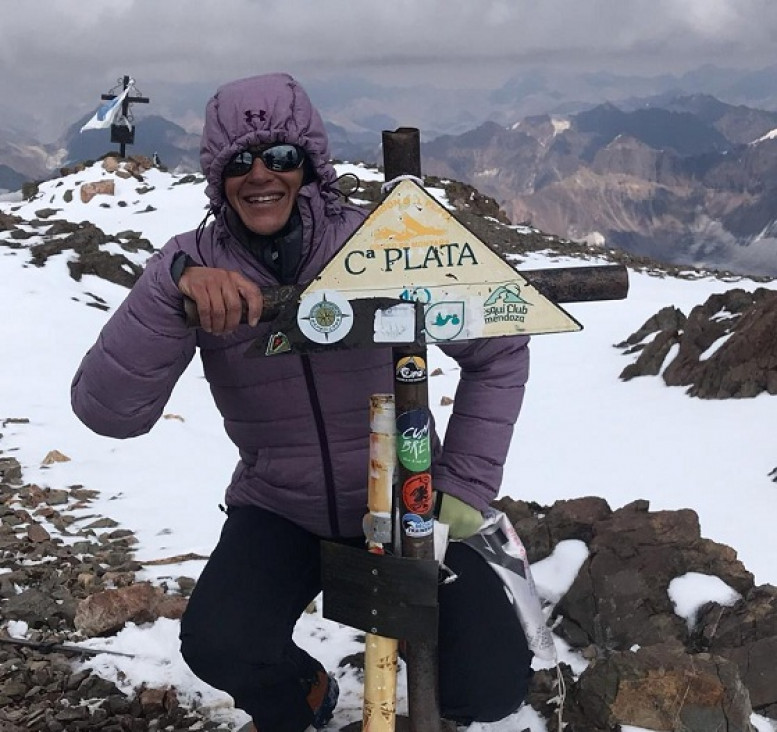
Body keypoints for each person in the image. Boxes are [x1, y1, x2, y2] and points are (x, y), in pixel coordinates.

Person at [71, 73, 533, 732]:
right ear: (216, 176)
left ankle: (422, 713)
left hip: (408, 500)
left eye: (280, 156)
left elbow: (499, 352)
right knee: (219, 643)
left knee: (490, 685)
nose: (260, 175)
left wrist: (460, 486)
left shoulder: (384, 242)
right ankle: (304, 697)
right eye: (238, 161)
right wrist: (171, 294)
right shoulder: (192, 265)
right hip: (281, 506)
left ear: (309, 164)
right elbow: (107, 412)